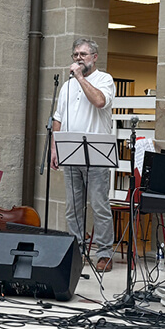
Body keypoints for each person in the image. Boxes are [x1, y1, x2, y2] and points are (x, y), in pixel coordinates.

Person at [50, 38, 116, 273]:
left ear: (94, 57)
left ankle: (105, 253)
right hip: (70, 152)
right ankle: (76, 249)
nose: (78, 58)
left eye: (83, 54)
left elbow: (99, 101)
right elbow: (58, 117)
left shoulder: (104, 79)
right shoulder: (67, 85)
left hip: (96, 155)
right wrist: (54, 147)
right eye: (75, 54)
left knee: (99, 205)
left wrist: (80, 77)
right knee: (73, 206)